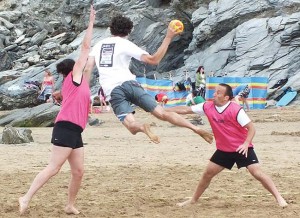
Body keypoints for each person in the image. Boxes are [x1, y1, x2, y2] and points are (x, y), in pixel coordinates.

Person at [88, 14, 213, 144]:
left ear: (110, 28)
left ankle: (142, 127)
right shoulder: (126, 44)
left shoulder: (98, 46)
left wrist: (84, 90)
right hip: (131, 84)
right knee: (162, 113)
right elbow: (154, 60)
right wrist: (168, 37)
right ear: (129, 31)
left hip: (113, 90)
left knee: (131, 126)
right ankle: (195, 128)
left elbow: (87, 68)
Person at [18, 5, 96, 215]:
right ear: (73, 69)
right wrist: (90, 23)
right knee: (54, 168)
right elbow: (86, 49)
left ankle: (70, 205)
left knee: (78, 172)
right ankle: (25, 198)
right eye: (80, 64)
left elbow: (90, 63)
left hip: (75, 130)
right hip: (65, 127)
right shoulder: (72, 77)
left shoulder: (80, 82)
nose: (84, 64)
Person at [165, 83, 288, 208]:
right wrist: (163, 110)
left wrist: (246, 144)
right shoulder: (207, 106)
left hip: (242, 148)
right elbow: (185, 110)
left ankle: (279, 197)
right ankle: (193, 200)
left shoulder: (235, 109)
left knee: (256, 172)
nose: (214, 94)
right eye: (215, 92)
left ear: (226, 98)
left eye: (218, 93)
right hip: (224, 150)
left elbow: (251, 128)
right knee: (207, 174)